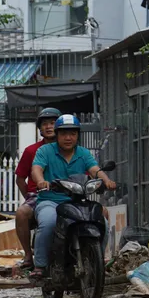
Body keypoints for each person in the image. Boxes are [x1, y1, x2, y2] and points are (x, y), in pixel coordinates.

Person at [30, 114, 116, 278]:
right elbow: (36, 169)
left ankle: (97, 261)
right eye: (63, 134)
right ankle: (40, 266)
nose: (68, 138)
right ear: (57, 134)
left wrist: (107, 181)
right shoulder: (45, 151)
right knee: (48, 223)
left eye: (73, 134)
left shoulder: (83, 153)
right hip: (50, 201)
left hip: (78, 202)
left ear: (78, 135)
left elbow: (94, 170)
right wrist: (41, 181)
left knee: (101, 222)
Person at [14, 107, 61, 268]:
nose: (49, 127)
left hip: (68, 192)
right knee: (21, 213)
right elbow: (20, 178)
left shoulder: (72, 149)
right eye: (45, 124)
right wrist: (29, 195)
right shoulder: (31, 151)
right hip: (39, 195)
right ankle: (28, 255)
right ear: (40, 128)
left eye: (53, 123)